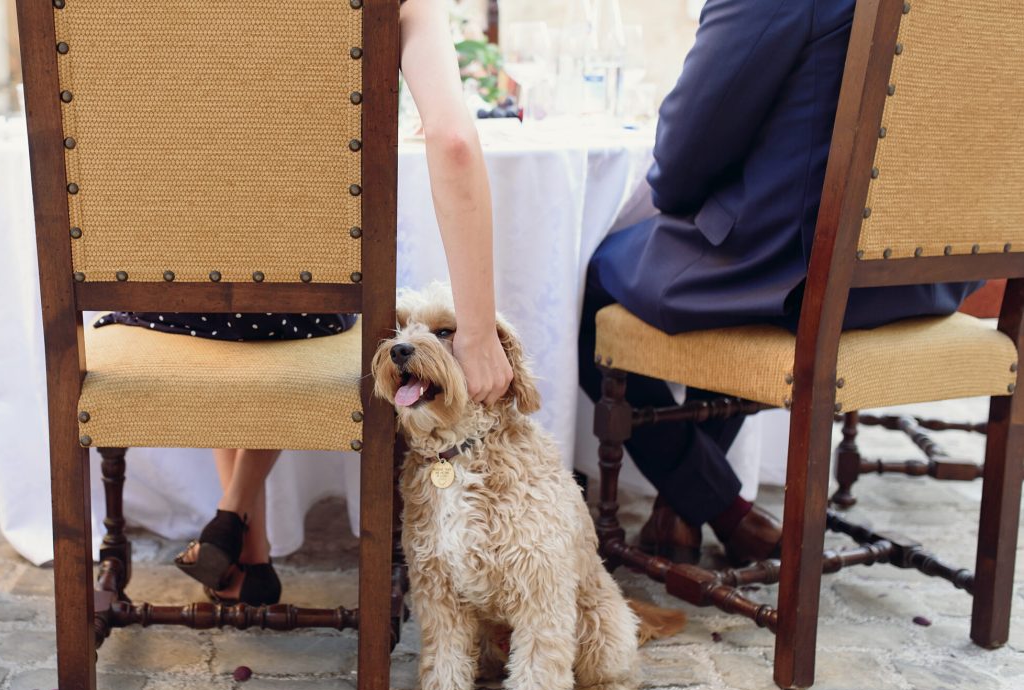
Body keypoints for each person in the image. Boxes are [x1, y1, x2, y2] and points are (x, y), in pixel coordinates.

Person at [94, 0, 512, 605]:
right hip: (300, 303)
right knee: (280, 292)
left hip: (169, 289)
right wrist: (475, 334)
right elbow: (451, 142)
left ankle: (244, 553)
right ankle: (236, 530)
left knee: (222, 287)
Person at [578, 0, 980, 565]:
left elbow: (681, 158)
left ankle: (712, 504)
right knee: (727, 285)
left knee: (593, 281)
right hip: (934, 275)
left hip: (799, 274)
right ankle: (690, 505)